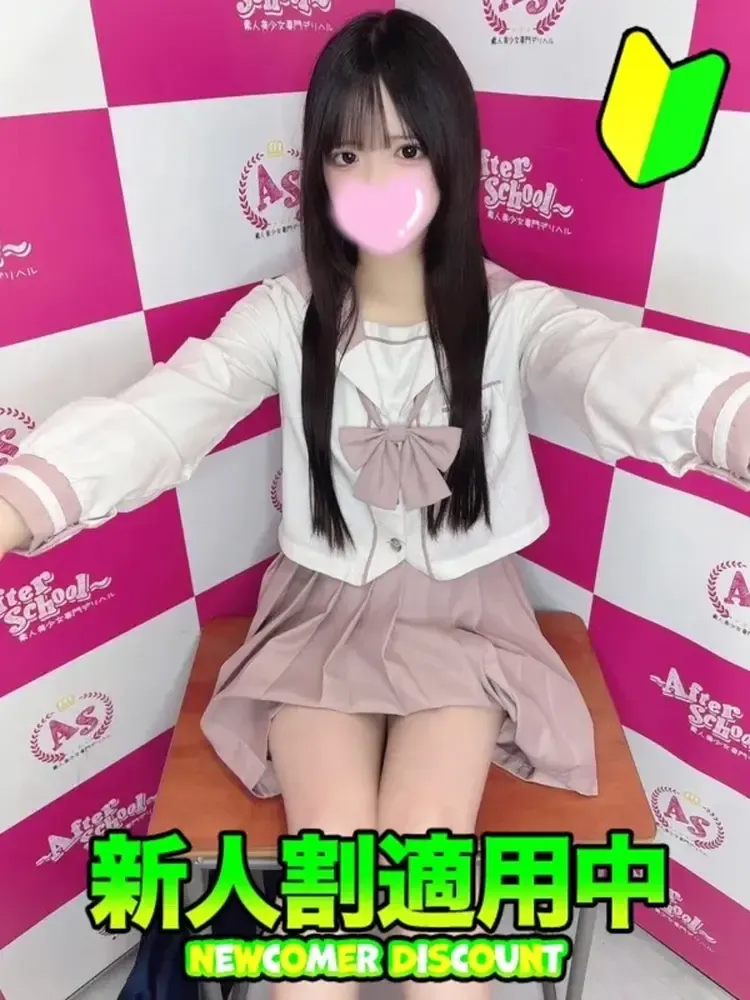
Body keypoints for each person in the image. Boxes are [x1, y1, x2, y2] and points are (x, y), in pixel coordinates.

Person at [1, 8, 749, 997]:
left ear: (451, 154)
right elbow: (166, 411)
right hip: (322, 616)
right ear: (318, 170)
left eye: (406, 148)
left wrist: (731, 422)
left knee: (427, 905)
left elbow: (613, 364)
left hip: (464, 620)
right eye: (348, 153)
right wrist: (21, 503)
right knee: (329, 906)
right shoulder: (285, 315)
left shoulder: (510, 314)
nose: (377, 181)